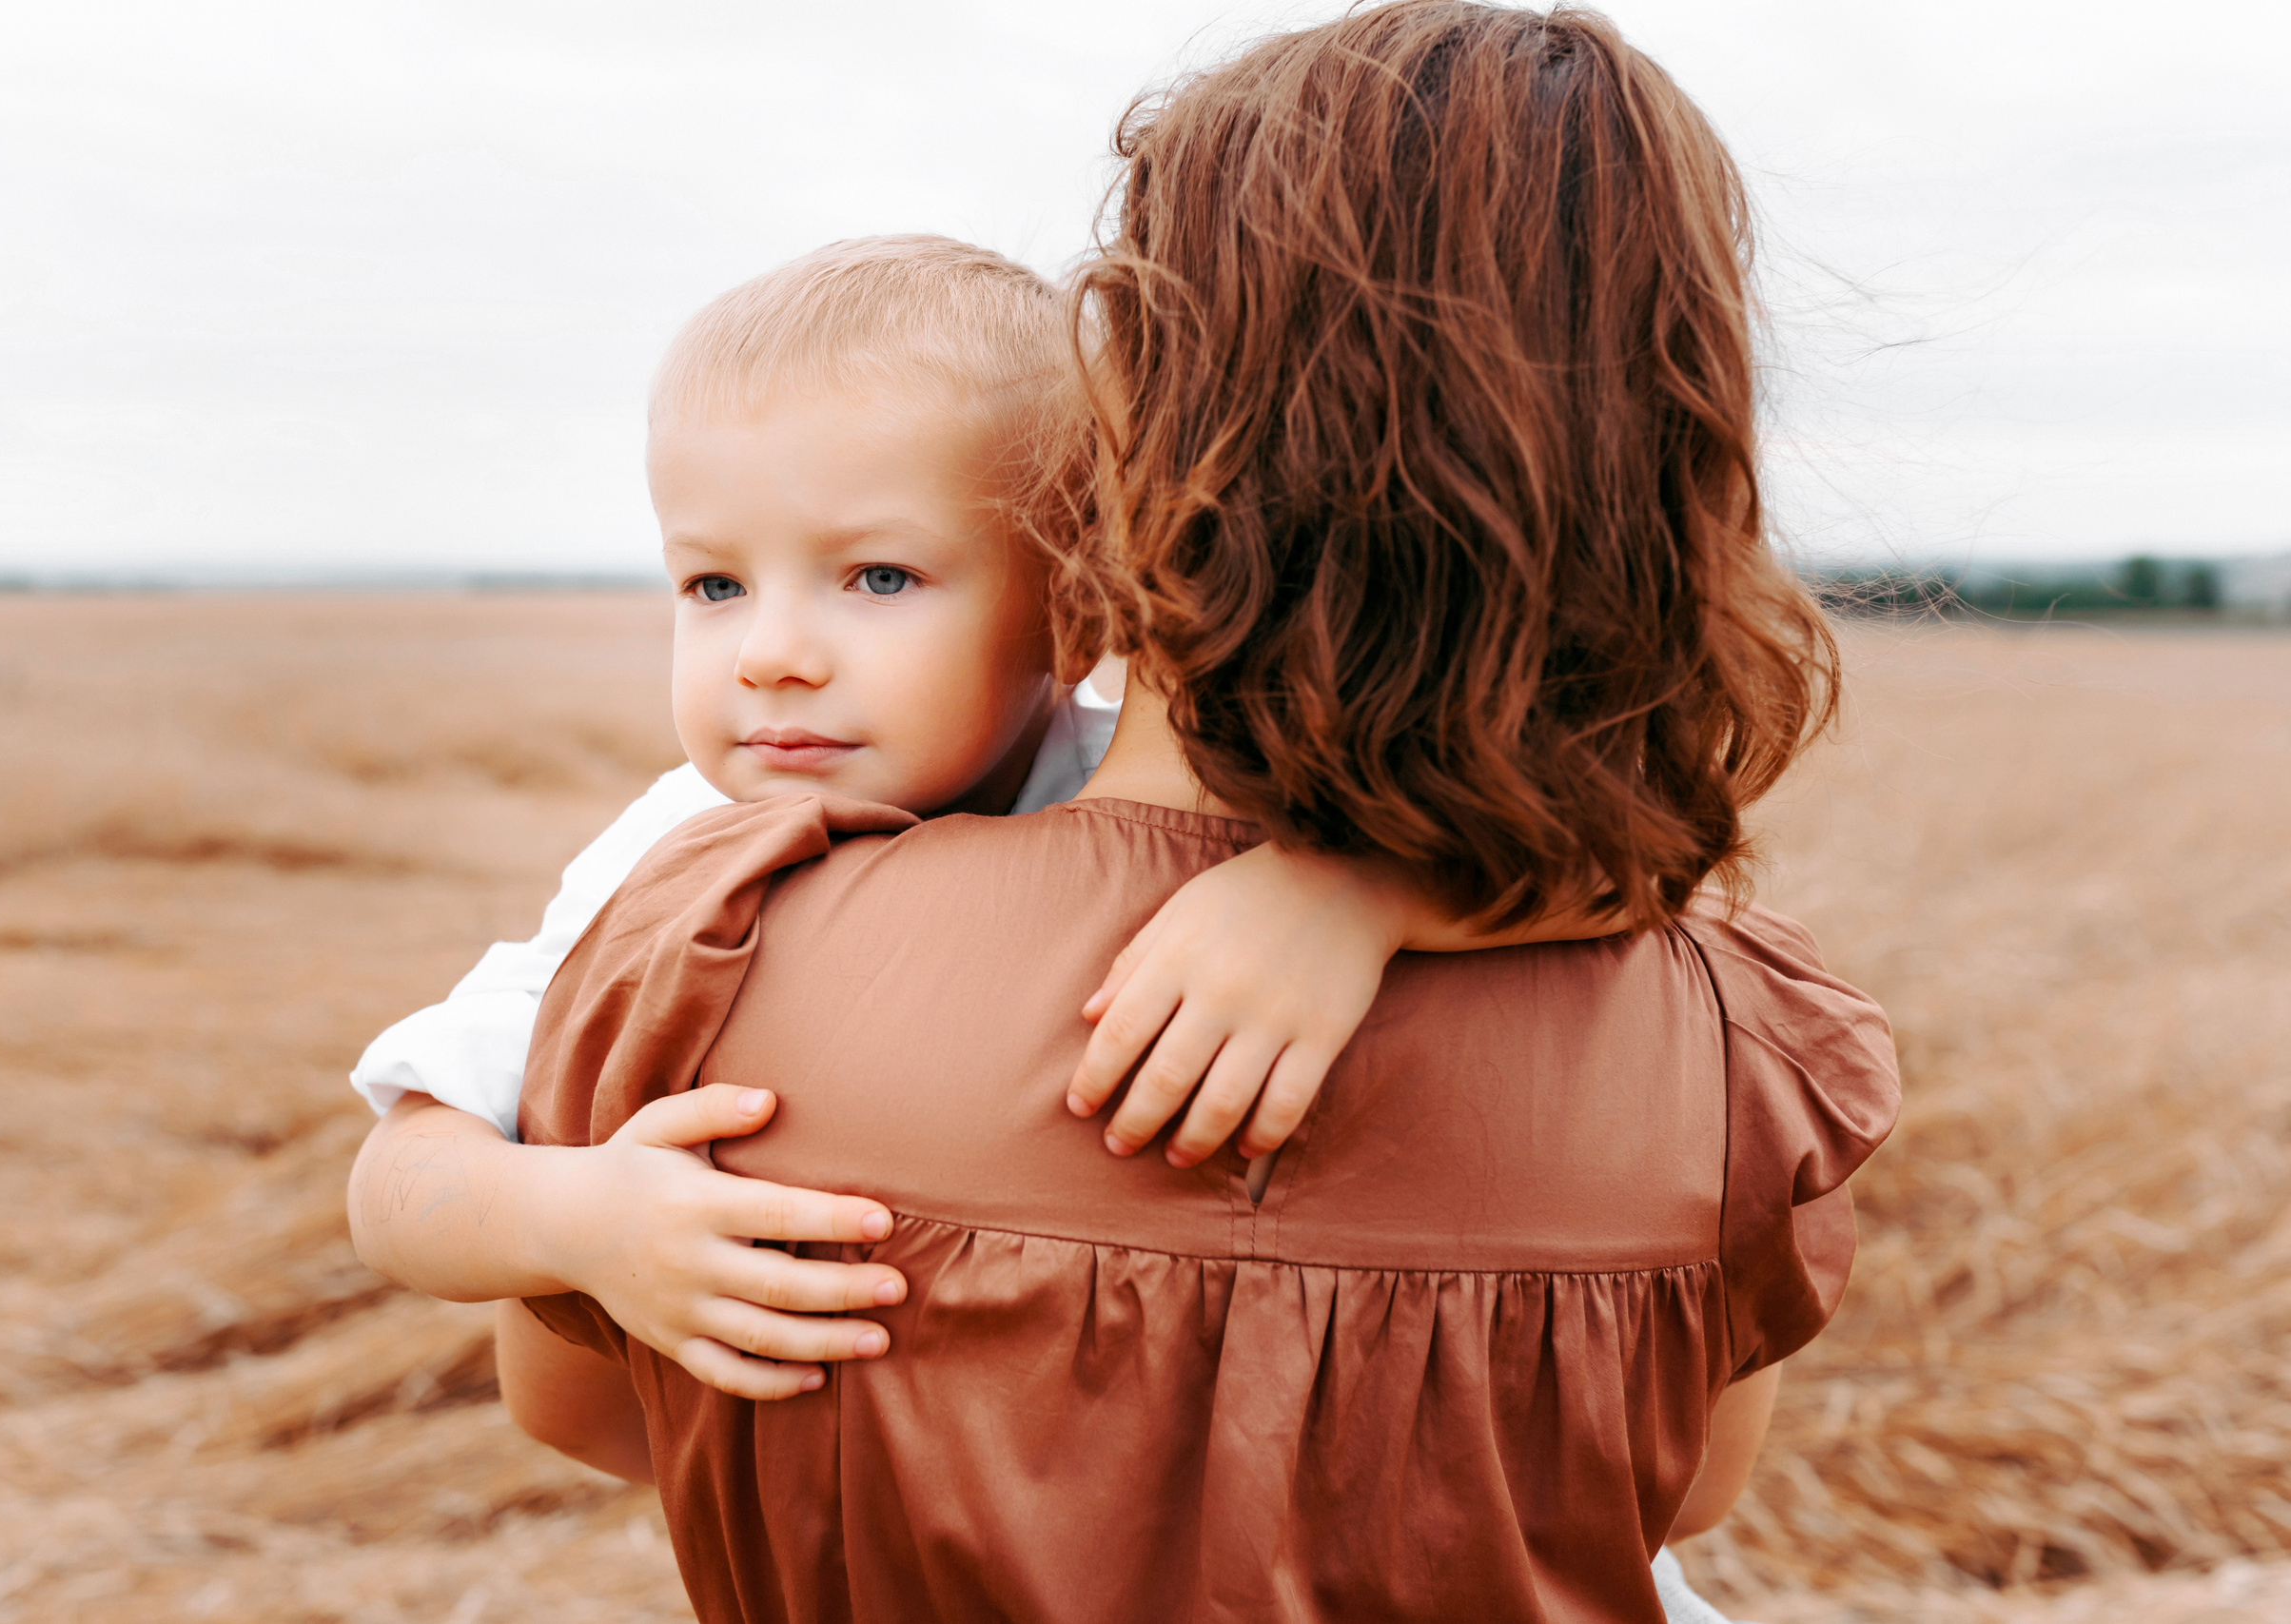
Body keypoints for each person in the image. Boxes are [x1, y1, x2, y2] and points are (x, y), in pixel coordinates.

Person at [502, 5, 1898, 1619]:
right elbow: (1687, 1492)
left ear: (1153, 433)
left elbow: (590, 1411)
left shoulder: (708, 943)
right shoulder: (1739, 1056)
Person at [346, 234, 1614, 1404]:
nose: (771, 653)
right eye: (714, 583)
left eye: (879, 576)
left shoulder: (1153, 795)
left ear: (1078, 615)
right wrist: (576, 1222)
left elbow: (1613, 879)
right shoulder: (669, 852)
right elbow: (401, 1176)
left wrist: (1352, 898)